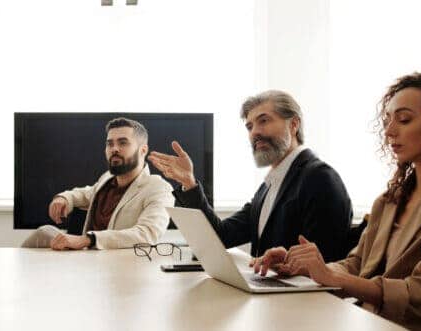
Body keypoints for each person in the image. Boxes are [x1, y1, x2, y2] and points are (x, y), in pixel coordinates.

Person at [257, 73, 421, 330]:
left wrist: (328, 275)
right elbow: (358, 265)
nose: (390, 130)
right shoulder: (390, 200)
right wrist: (301, 268)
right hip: (367, 321)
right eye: (388, 120)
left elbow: (420, 295)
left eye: (404, 119)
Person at [148, 90, 353, 262]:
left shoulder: (320, 178)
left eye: (264, 121)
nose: (255, 132)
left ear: (294, 124)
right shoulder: (269, 186)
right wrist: (189, 183)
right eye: (250, 126)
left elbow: (325, 263)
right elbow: (221, 237)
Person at [22, 117, 174, 250]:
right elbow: (86, 193)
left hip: (118, 264)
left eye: (123, 143)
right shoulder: (107, 179)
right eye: (110, 144)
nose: (114, 149)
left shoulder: (159, 188)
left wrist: (89, 239)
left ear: (143, 150)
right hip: (86, 257)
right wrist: (64, 198)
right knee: (45, 231)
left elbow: (147, 233)